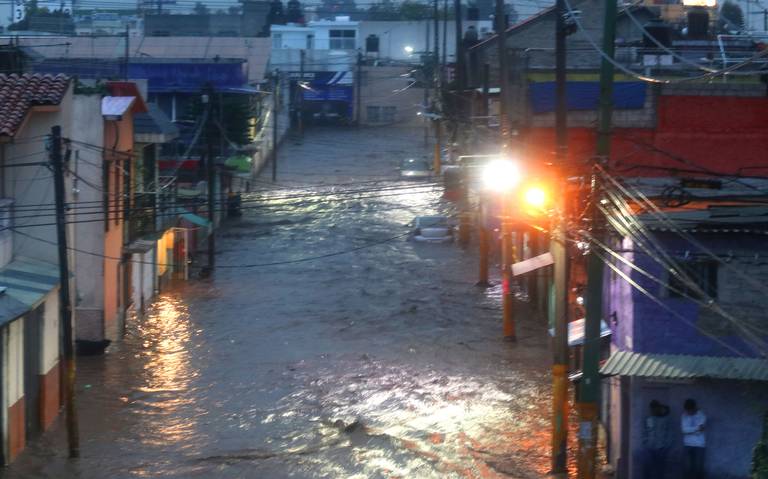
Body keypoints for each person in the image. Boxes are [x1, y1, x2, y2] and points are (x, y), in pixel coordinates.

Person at [643, 400, 672, 479]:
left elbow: (669, 433)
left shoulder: (665, 419)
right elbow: (645, 431)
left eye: (655, 409)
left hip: (661, 448)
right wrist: (646, 443)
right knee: (647, 469)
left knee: (660, 470)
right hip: (650, 448)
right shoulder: (648, 419)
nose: (653, 411)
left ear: (658, 408)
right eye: (651, 409)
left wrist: (667, 446)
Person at [682, 398, 707, 479]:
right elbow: (684, 430)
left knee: (698, 468)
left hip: (699, 445)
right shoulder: (684, 415)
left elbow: (700, 431)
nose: (688, 412)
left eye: (689, 411)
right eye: (687, 410)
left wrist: (690, 430)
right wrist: (696, 428)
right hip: (687, 444)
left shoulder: (702, 415)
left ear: (694, 408)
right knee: (686, 468)